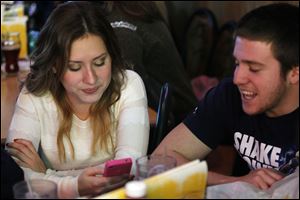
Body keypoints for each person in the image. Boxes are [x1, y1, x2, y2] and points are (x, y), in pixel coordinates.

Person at [5, 2, 149, 198]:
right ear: (54, 66)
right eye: (74, 67)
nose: (91, 79)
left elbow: (126, 173)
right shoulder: (35, 94)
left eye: (100, 62)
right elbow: (14, 179)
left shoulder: (128, 85)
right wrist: (76, 185)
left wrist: (47, 176)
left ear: (111, 56)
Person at [153, 3, 299, 190]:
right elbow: (160, 160)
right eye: (237, 63)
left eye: (254, 68)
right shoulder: (229, 95)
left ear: (294, 73)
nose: (238, 78)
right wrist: (238, 181)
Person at [101, 1, 198, 125]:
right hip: (180, 116)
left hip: (179, 125)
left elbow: (126, 96)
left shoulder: (122, 28)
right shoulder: (133, 9)